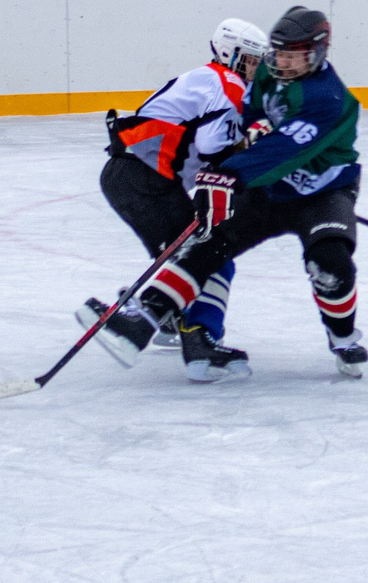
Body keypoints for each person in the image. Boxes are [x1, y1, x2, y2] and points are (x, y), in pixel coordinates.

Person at [103, 6, 365, 381]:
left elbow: (283, 150)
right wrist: (255, 126)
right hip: (268, 189)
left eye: (294, 57)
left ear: (318, 53)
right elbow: (252, 112)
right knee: (206, 246)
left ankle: (342, 338)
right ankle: (143, 319)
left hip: (321, 193)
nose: (283, 64)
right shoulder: (269, 74)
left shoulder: (329, 99)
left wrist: (227, 174)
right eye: (280, 55)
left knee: (330, 264)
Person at [83, 18, 266, 357]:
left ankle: (166, 316)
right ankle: (183, 336)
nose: (256, 68)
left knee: (184, 258)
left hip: (131, 175)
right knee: (209, 254)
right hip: (144, 180)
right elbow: (212, 147)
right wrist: (250, 159)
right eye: (251, 59)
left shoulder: (209, 77)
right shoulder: (229, 85)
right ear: (231, 54)